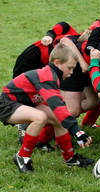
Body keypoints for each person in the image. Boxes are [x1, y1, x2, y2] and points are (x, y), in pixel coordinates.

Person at [0, 43, 94, 173]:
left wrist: (73, 127)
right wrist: (76, 131)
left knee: (59, 119)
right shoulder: (47, 76)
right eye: (70, 68)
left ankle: (70, 159)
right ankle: (22, 157)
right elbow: (56, 104)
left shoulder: (53, 75)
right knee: (40, 118)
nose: (71, 72)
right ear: (57, 62)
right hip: (7, 104)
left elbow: (59, 108)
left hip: (27, 103)